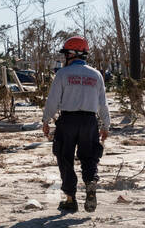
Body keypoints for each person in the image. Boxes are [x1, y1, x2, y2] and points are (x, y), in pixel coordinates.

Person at [41, 36, 110, 213]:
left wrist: (46, 120)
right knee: (89, 156)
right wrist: (105, 126)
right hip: (89, 121)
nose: (65, 58)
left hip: (68, 120)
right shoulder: (96, 75)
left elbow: (53, 100)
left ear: (72, 53)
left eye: (66, 54)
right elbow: (103, 103)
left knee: (65, 157)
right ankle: (90, 181)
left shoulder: (62, 74)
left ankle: (70, 199)